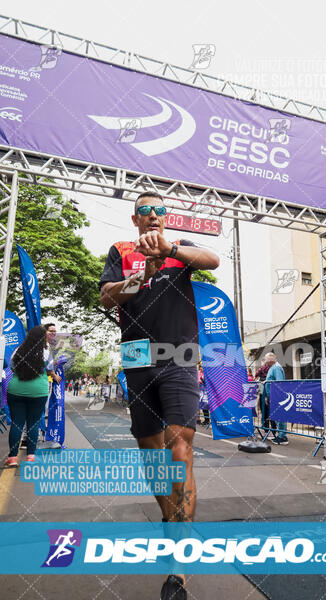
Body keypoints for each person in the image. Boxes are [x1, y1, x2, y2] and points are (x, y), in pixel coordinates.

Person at [99, 190, 219, 600]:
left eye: (160, 211)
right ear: (135, 220)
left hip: (180, 357)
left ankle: (177, 567)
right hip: (137, 360)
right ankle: (174, 525)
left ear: (167, 218)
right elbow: (106, 297)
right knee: (153, 457)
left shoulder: (179, 248)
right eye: (145, 212)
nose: (153, 216)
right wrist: (141, 276)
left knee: (180, 446)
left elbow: (212, 260)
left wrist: (169, 251)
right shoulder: (120, 250)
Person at [5, 326, 55, 466]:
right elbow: (50, 369)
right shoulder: (46, 352)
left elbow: (12, 367)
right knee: (33, 424)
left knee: (17, 423)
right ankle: (31, 457)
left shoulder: (18, 350)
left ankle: (12, 458)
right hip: (38, 392)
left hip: (16, 390)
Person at [264, 352, 289, 445]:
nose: (265, 362)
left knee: (280, 416)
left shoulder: (276, 368)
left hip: (277, 396)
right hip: (273, 395)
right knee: (277, 416)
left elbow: (279, 382)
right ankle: (281, 435)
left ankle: (282, 437)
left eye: (266, 360)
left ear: (271, 360)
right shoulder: (273, 367)